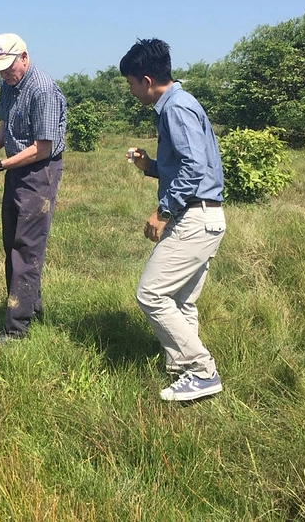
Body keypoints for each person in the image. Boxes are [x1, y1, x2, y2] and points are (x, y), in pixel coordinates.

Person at [120, 38, 226, 402]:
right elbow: (186, 165)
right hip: (205, 215)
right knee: (181, 302)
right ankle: (186, 376)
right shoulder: (181, 104)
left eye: (131, 84)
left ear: (146, 80)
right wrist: (149, 166)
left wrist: (164, 211)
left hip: (193, 217)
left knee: (150, 294)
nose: (132, 92)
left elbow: (195, 168)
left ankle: (201, 370)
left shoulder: (176, 108)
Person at [0, 34, 66, 343]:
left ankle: (16, 328)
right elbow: (4, 123)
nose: (3, 74)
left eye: (8, 67)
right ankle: (30, 306)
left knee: (27, 248)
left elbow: (42, 148)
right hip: (15, 167)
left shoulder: (42, 89)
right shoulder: (9, 86)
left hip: (39, 172)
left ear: (23, 57)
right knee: (11, 242)